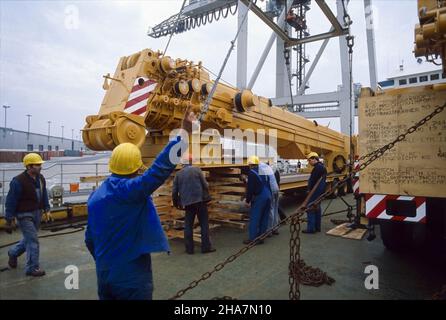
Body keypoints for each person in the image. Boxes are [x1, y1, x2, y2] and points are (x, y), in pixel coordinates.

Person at [84, 108, 194, 300]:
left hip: (104, 273)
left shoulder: (95, 196)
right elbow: (160, 169)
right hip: (131, 276)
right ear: (136, 168)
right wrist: (184, 135)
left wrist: (105, 262)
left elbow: (89, 239)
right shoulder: (130, 191)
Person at [5, 153, 50, 277]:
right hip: (24, 214)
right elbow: (11, 200)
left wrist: (47, 209)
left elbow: (44, 194)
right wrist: (9, 219)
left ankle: (13, 253)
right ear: (29, 166)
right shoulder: (17, 181)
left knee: (29, 239)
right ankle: (32, 268)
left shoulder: (40, 178)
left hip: (37, 212)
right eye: (37, 165)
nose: (40, 166)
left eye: (40, 164)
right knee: (33, 241)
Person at [172, 156, 215, 254]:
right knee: (204, 224)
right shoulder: (197, 170)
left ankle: (189, 249)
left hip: (188, 203)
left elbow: (174, 192)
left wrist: (176, 204)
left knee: (188, 226)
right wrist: (206, 196)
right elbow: (205, 185)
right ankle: (206, 248)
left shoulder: (178, 175)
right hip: (200, 201)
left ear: (182, 164)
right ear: (191, 161)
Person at [243, 156, 272, 245]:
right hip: (268, 195)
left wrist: (247, 200)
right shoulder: (264, 171)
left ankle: (253, 238)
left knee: (255, 217)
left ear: (250, 164)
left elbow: (250, 188)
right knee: (264, 217)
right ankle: (261, 237)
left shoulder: (251, 173)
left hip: (260, 196)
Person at [303, 152, 327, 234]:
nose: (309, 162)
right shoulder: (321, 167)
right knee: (317, 208)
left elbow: (313, 181)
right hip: (319, 190)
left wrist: (309, 189)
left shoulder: (317, 168)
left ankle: (311, 228)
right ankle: (317, 227)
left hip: (315, 191)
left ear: (314, 159)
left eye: (309, 160)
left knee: (310, 207)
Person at [259, 162, 280, 236]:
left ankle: (269, 231)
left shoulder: (261, 167)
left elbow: (261, 182)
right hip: (276, 190)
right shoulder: (270, 168)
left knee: (270, 210)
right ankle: (275, 228)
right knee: (275, 209)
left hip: (271, 191)